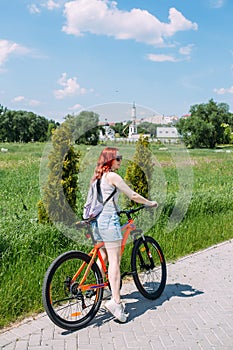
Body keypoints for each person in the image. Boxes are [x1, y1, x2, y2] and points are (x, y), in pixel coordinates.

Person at [90, 147, 158, 323]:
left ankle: (101, 290)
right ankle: (116, 303)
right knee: (115, 261)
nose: (120, 161)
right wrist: (149, 203)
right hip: (107, 221)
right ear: (110, 161)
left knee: (103, 256)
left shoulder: (97, 177)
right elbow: (133, 195)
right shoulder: (112, 176)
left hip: (96, 221)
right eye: (118, 158)